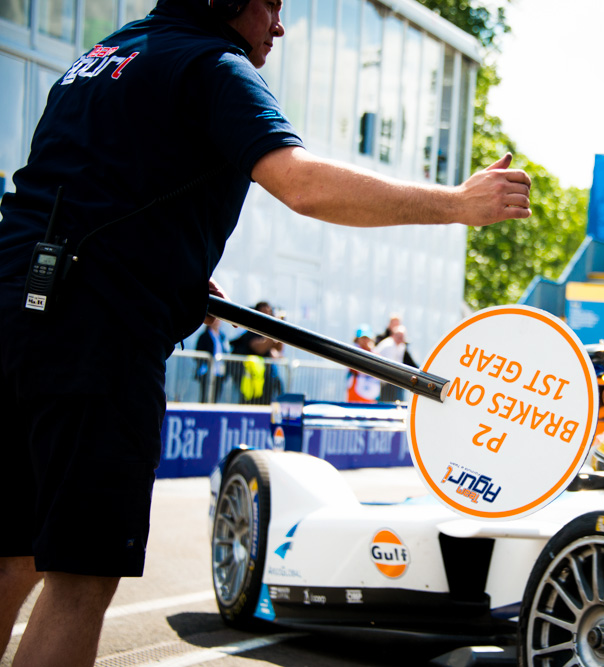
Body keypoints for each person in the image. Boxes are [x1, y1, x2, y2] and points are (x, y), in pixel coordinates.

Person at [0, 1, 531, 664]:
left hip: (14, 308)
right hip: (94, 339)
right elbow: (301, 185)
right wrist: (455, 204)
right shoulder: (213, 65)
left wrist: (171, 266)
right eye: (269, 7)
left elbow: (90, 188)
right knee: (79, 579)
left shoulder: (105, 55)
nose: (278, 28)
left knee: (12, 557)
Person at [229, 301, 284, 404]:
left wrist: (280, 328)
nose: (267, 316)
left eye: (269, 313)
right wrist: (274, 328)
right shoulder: (250, 332)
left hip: (265, 382)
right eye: (263, 313)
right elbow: (260, 348)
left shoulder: (268, 334)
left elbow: (279, 349)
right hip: (250, 382)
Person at [195, 317, 228, 403]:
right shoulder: (204, 336)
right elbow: (198, 353)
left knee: (216, 396)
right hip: (206, 370)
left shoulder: (222, 336)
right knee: (205, 395)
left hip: (219, 371)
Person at [346, 326, 381, 404]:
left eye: (367, 338)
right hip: (356, 387)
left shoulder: (373, 351)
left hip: (371, 389)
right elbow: (353, 368)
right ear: (357, 339)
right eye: (363, 338)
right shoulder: (353, 350)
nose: (365, 340)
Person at [374, 325, 408, 403]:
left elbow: (399, 362)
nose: (400, 338)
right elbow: (391, 364)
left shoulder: (402, 346)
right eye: (398, 335)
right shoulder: (388, 345)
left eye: (402, 336)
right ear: (393, 335)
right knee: (385, 401)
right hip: (382, 377)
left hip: (389, 378)